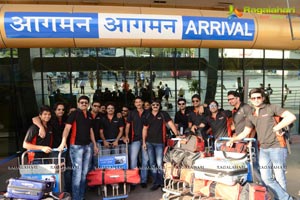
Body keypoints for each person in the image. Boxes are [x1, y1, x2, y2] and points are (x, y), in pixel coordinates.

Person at [227, 88, 296, 200]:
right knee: (266, 178)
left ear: (263, 98)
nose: (256, 100)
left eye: (258, 97)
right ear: (250, 100)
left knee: (279, 177)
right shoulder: (252, 115)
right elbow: (246, 132)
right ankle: (286, 198)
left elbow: (291, 117)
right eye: (253, 98)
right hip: (263, 149)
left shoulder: (271, 108)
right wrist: (233, 140)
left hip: (277, 147)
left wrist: (277, 127)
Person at [58, 96, 98, 200]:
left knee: (84, 173)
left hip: (88, 146)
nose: (84, 104)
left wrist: (94, 144)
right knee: (77, 173)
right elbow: (67, 128)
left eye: (86, 103)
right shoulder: (74, 114)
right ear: (78, 103)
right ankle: (76, 198)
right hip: (76, 147)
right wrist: (63, 142)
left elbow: (91, 131)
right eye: (82, 102)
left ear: (88, 104)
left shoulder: (89, 115)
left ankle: (81, 196)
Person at [142, 99, 179, 191]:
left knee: (159, 163)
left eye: (157, 105)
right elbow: (144, 129)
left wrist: (177, 135)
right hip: (149, 143)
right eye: (153, 104)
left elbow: (171, 124)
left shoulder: (163, 114)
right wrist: (143, 142)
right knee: (152, 163)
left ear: (159, 106)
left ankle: (162, 182)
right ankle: (156, 183)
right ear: (151, 106)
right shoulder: (147, 115)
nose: (155, 106)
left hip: (159, 143)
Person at [123, 97, 149, 189]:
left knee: (145, 160)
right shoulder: (132, 113)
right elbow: (127, 126)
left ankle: (143, 180)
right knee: (133, 160)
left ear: (142, 103)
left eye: (140, 102)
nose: (138, 103)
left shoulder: (147, 112)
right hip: (135, 139)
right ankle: (133, 180)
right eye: (136, 102)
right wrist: (126, 136)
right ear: (134, 104)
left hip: (146, 140)